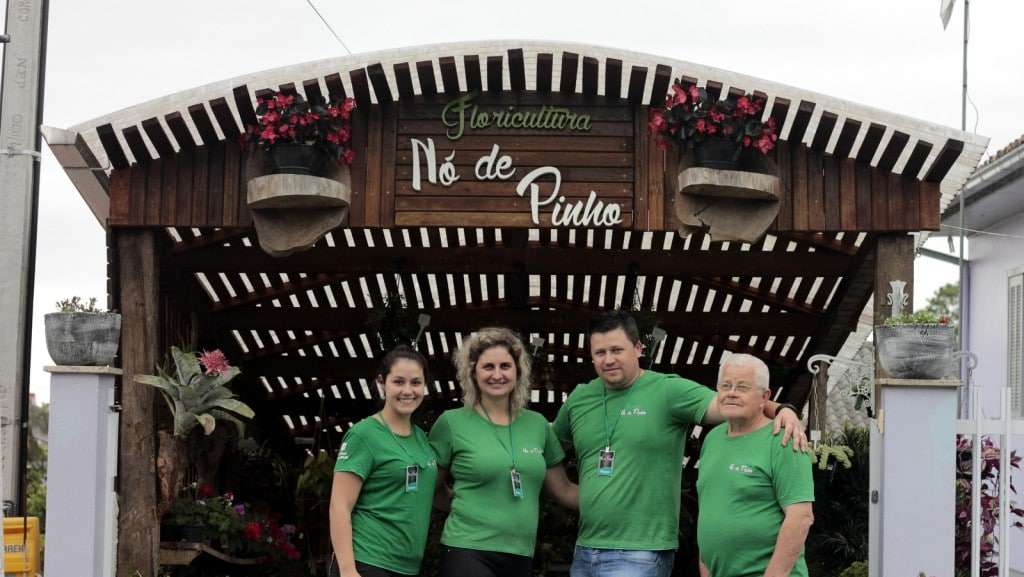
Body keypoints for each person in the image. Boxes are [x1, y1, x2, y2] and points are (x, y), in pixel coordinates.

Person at [553, 311, 808, 577]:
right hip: (585, 549)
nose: (608, 359)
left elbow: (732, 400)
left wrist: (783, 409)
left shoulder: (668, 390)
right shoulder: (580, 398)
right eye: (600, 352)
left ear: (638, 348)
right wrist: (566, 491)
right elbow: (547, 448)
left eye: (617, 349)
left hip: (641, 552)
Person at [429, 327, 578, 577]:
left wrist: (615, 499)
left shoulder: (538, 424)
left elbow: (563, 490)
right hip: (467, 548)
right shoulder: (451, 423)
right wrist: (463, 505)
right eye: (488, 367)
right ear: (473, 372)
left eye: (505, 366)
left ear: (518, 371)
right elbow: (429, 487)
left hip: (520, 554)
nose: (497, 374)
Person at [697, 354, 814, 577]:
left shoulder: (784, 440)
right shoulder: (712, 439)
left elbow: (801, 517)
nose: (731, 392)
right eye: (725, 385)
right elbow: (710, 513)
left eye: (742, 387)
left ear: (765, 396)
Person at [329, 345, 437, 577]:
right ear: (381, 382)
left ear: (425, 385)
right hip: (367, 561)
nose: (407, 390)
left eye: (416, 382)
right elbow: (339, 505)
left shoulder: (422, 438)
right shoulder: (364, 434)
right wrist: (348, 570)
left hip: (406, 568)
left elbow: (430, 493)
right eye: (398, 382)